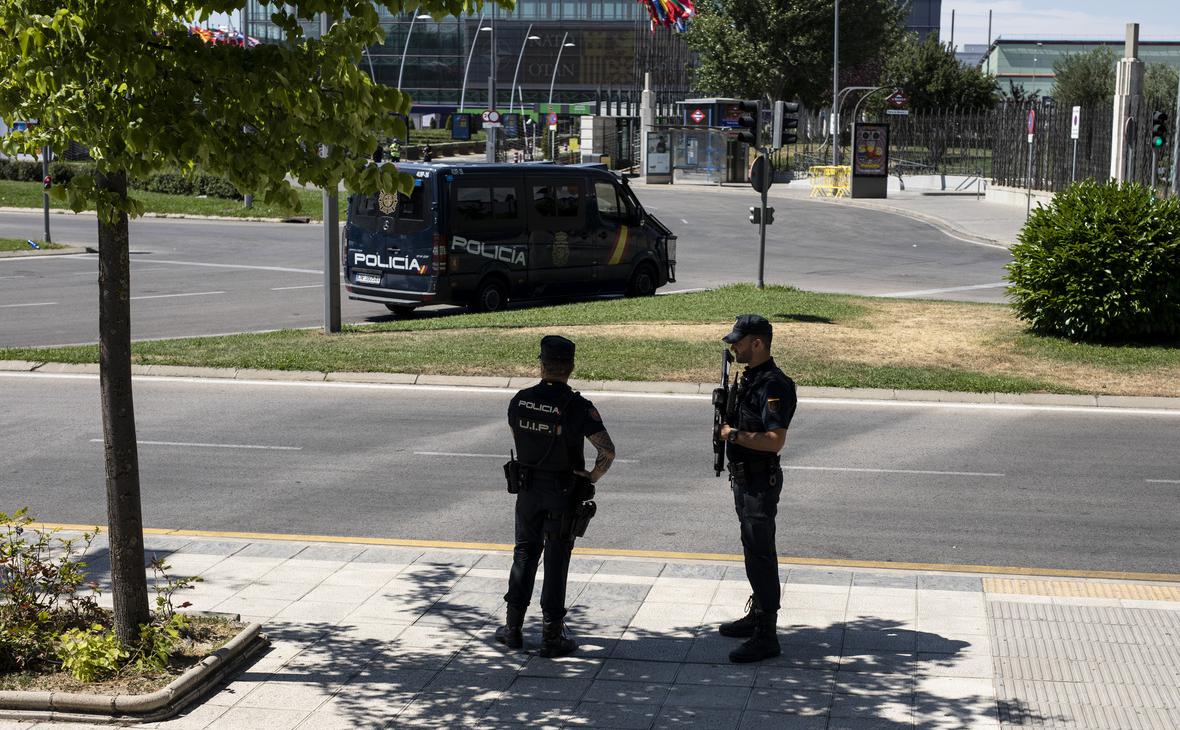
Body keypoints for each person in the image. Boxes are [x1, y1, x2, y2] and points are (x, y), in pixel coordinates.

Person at [495, 335, 616, 657]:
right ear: (571, 366)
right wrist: (592, 476)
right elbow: (607, 450)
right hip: (563, 492)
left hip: (529, 491)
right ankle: (551, 635)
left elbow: (519, 439)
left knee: (524, 554)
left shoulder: (519, 401)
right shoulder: (578, 407)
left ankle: (513, 629)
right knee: (557, 559)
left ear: (541, 363)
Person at [717, 314, 797, 663]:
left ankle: (767, 633)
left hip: (759, 481)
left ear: (758, 343)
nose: (734, 346)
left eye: (739, 341)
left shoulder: (774, 385)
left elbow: (774, 441)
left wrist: (732, 435)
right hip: (744, 478)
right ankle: (757, 614)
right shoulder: (750, 379)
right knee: (752, 550)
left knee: (761, 555)